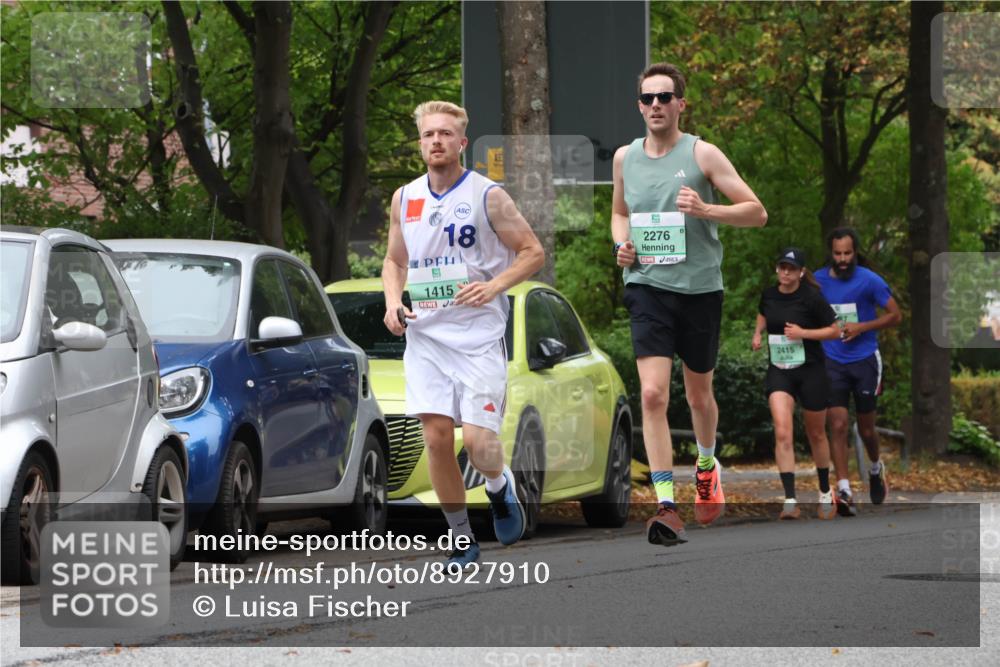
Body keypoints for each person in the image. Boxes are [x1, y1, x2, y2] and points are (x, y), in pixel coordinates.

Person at [381, 101, 544, 570]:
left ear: (461, 143)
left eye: (445, 134)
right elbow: (395, 262)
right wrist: (393, 302)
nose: (436, 141)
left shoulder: (488, 196)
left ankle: (498, 486)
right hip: (427, 338)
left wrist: (493, 286)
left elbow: (532, 252)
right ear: (420, 143)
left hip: (476, 338)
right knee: (435, 439)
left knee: (477, 444)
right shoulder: (405, 198)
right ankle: (460, 539)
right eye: (429, 134)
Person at [611, 63, 768, 546]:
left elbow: (756, 212)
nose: (655, 105)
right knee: (654, 395)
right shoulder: (624, 158)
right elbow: (620, 214)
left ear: (681, 103)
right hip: (647, 287)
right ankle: (665, 504)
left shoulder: (702, 153)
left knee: (699, 395)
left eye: (664, 97)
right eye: (647, 98)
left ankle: (705, 463)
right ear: (638, 106)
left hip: (699, 290)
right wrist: (622, 246)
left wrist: (706, 209)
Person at [815, 227, 902, 516]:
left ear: (855, 251)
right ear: (831, 252)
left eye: (847, 253)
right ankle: (844, 488)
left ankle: (876, 468)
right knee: (837, 424)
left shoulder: (870, 280)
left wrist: (861, 327)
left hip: (864, 360)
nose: (842, 259)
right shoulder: (818, 281)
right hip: (832, 361)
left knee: (866, 429)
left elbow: (895, 315)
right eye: (837, 253)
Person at [752, 248, 841, 520]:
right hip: (780, 370)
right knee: (782, 431)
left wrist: (804, 333)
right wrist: (758, 333)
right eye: (782, 267)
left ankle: (825, 491)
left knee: (816, 433)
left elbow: (836, 330)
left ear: (802, 272)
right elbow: (763, 313)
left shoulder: (812, 298)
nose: (786, 272)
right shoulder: (769, 294)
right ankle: (790, 500)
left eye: (791, 268)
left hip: (810, 370)